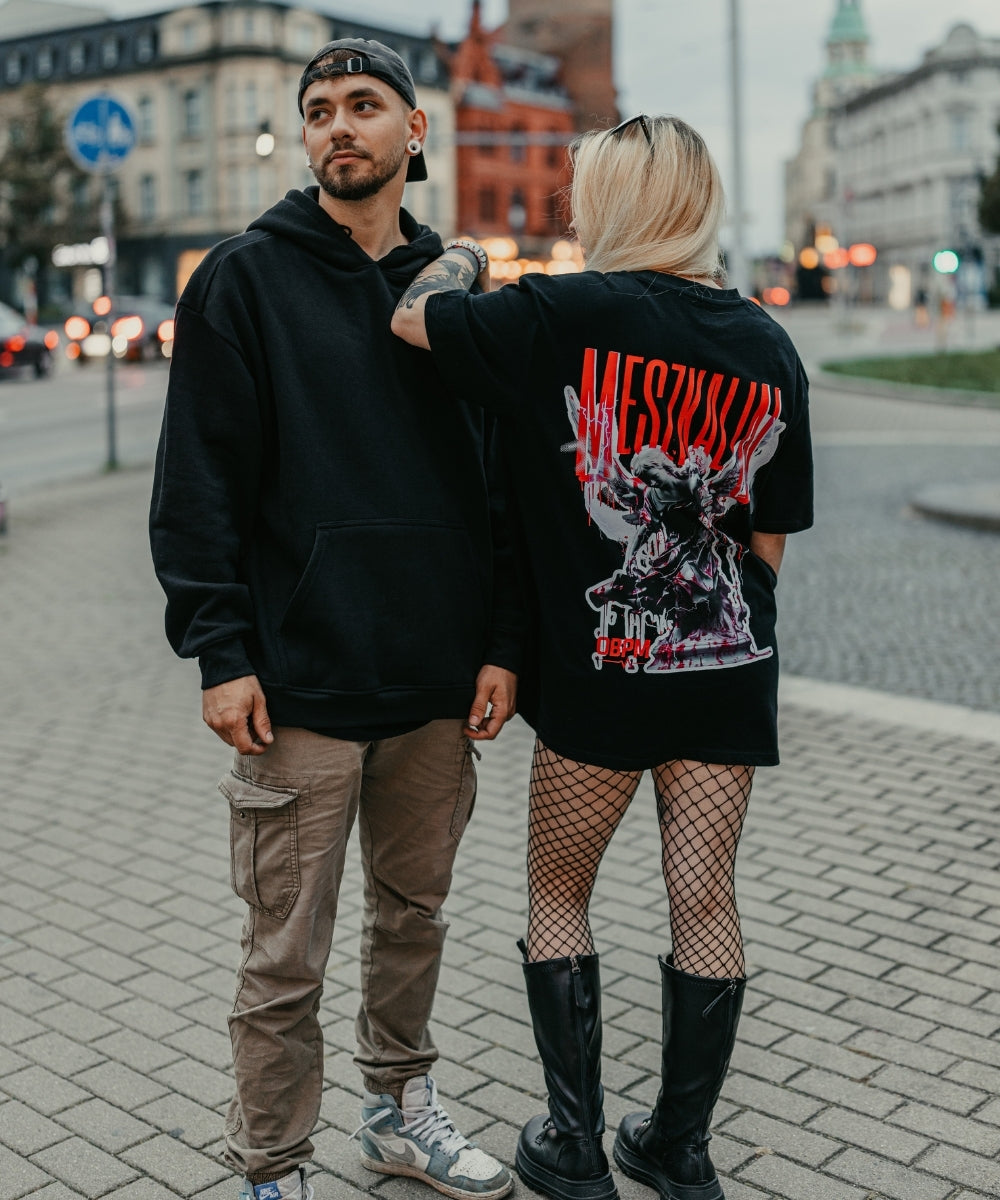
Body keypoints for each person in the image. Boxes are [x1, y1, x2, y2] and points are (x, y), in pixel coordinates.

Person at [391, 114, 813, 1200]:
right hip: (723, 670)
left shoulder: (562, 312)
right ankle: (680, 1149)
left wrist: (460, 255)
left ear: (615, 201)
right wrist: (724, 628)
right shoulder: (766, 343)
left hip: (601, 673)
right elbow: (770, 536)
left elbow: (412, 319)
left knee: (558, 894)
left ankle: (575, 1149)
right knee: (705, 901)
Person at [149, 38, 520, 1200]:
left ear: (415, 129)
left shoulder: (454, 294)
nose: (338, 127)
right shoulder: (241, 281)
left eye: (364, 105)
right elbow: (197, 485)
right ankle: (272, 1167)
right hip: (298, 685)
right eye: (318, 110)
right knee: (284, 956)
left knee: (413, 921)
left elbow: (499, 483)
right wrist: (220, 651)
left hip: (433, 684)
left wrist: (502, 643)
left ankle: (399, 1112)